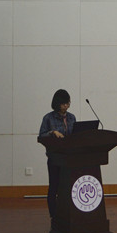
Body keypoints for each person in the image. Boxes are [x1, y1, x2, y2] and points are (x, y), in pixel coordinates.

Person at [38, 89, 76, 222]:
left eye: (68, 103)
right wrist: (52, 132)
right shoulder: (48, 118)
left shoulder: (72, 117)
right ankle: (54, 215)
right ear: (57, 103)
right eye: (64, 103)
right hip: (55, 158)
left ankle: (67, 213)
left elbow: (74, 136)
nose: (66, 105)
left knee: (67, 187)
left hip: (69, 158)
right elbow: (41, 136)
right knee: (54, 186)